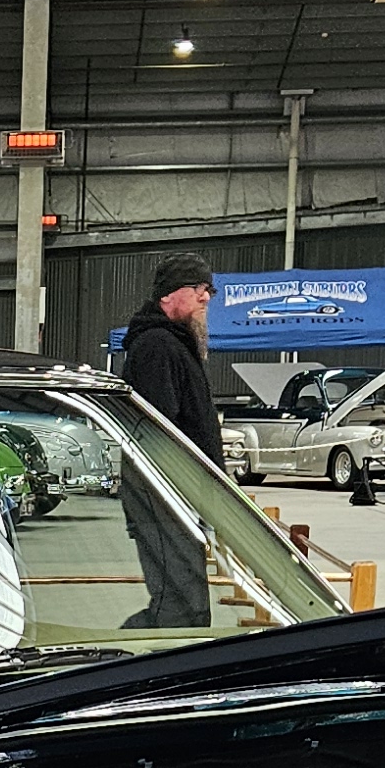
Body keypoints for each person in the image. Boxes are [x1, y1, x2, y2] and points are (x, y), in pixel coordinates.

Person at [117, 250, 221, 629]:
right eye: (198, 288)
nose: (206, 297)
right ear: (168, 295)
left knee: (182, 607)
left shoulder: (172, 345)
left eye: (209, 289)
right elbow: (157, 432)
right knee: (181, 611)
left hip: (178, 499)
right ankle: (109, 657)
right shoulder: (157, 346)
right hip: (165, 498)